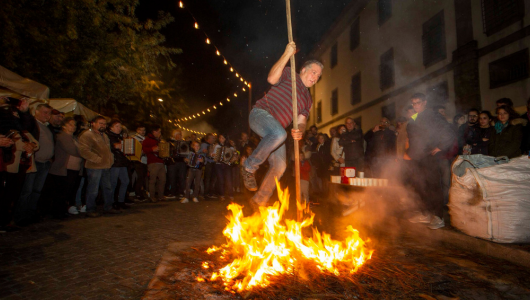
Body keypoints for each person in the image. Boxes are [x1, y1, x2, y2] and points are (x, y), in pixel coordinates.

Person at [241, 41, 323, 207]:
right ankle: (248, 167)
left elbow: (302, 121)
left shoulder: (308, 99)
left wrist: (300, 130)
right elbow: (271, 78)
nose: (315, 78)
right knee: (279, 134)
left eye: (318, 76)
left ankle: (259, 201)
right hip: (260, 114)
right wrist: (287, 53)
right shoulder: (289, 74)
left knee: (280, 165)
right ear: (303, 70)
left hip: (274, 131)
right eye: (313, 72)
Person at [406, 93, 455, 230]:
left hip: (429, 157)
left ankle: (438, 217)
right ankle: (425, 213)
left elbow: (449, 132)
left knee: (433, 186)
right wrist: (410, 152)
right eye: (414, 103)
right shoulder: (414, 118)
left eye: (418, 103)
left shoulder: (433, 116)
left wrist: (440, 146)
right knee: (420, 186)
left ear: (425, 102)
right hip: (416, 157)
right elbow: (412, 137)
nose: (416, 106)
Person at [0, 98, 39, 231]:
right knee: (6, 194)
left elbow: (28, 131)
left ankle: (7, 220)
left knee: (14, 194)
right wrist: (24, 145)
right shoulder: (5, 125)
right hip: (10, 165)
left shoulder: (18, 127)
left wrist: (24, 112)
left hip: (20, 165)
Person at [16, 104, 54, 225]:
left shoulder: (47, 127)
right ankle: (20, 216)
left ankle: (31, 213)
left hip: (45, 163)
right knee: (27, 190)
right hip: (34, 161)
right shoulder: (33, 125)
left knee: (37, 190)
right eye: (45, 112)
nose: (47, 115)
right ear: (36, 112)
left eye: (49, 113)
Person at [78, 116, 120, 217]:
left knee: (107, 188)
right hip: (94, 167)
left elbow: (108, 150)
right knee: (93, 189)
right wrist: (97, 159)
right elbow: (83, 151)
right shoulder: (87, 135)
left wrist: (110, 158)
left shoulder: (104, 135)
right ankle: (90, 209)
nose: (103, 125)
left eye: (104, 124)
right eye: (100, 123)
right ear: (93, 123)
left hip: (105, 166)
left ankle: (108, 207)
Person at [48, 117, 84, 218]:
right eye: (70, 124)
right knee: (61, 191)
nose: (73, 127)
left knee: (68, 191)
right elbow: (73, 150)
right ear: (64, 126)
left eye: (74, 125)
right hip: (64, 169)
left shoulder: (74, 138)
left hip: (74, 169)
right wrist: (85, 152)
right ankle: (57, 212)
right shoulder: (62, 137)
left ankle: (63, 209)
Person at [107, 120, 131, 210]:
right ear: (111, 127)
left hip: (122, 162)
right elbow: (109, 147)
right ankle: (112, 202)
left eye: (120, 127)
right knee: (113, 183)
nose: (119, 128)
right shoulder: (108, 136)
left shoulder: (119, 137)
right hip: (115, 163)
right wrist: (114, 146)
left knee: (125, 181)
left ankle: (121, 201)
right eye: (117, 126)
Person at [143, 125, 167, 202]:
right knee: (153, 180)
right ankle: (152, 196)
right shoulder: (147, 140)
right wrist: (152, 149)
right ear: (154, 131)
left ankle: (160, 195)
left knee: (162, 179)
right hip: (153, 162)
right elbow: (143, 150)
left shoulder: (159, 140)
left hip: (161, 162)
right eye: (159, 131)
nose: (160, 133)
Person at [214, 134, 236, 201]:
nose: (221, 139)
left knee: (229, 180)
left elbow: (235, 155)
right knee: (221, 180)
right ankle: (222, 195)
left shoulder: (230, 147)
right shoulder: (217, 146)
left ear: (226, 139)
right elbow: (214, 156)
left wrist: (232, 159)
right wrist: (213, 155)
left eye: (223, 138)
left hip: (227, 165)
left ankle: (231, 195)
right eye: (220, 138)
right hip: (219, 164)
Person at [166, 129, 187, 199]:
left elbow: (186, 152)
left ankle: (181, 192)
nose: (179, 136)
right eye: (178, 134)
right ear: (174, 135)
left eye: (180, 134)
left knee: (182, 177)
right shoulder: (169, 142)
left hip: (181, 162)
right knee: (172, 178)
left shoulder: (184, 143)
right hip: (172, 162)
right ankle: (172, 192)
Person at [132, 124, 148, 201]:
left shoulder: (145, 138)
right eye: (141, 130)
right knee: (140, 177)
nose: (142, 132)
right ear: (137, 130)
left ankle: (140, 192)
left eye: (144, 130)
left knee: (143, 177)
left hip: (145, 160)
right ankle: (138, 194)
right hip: (138, 160)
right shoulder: (134, 138)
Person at [200, 133, 218, 198]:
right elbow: (201, 152)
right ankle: (206, 193)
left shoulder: (213, 145)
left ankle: (210, 193)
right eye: (213, 138)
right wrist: (205, 152)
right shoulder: (204, 144)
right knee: (207, 179)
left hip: (213, 163)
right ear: (209, 139)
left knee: (212, 179)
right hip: (208, 163)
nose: (214, 139)